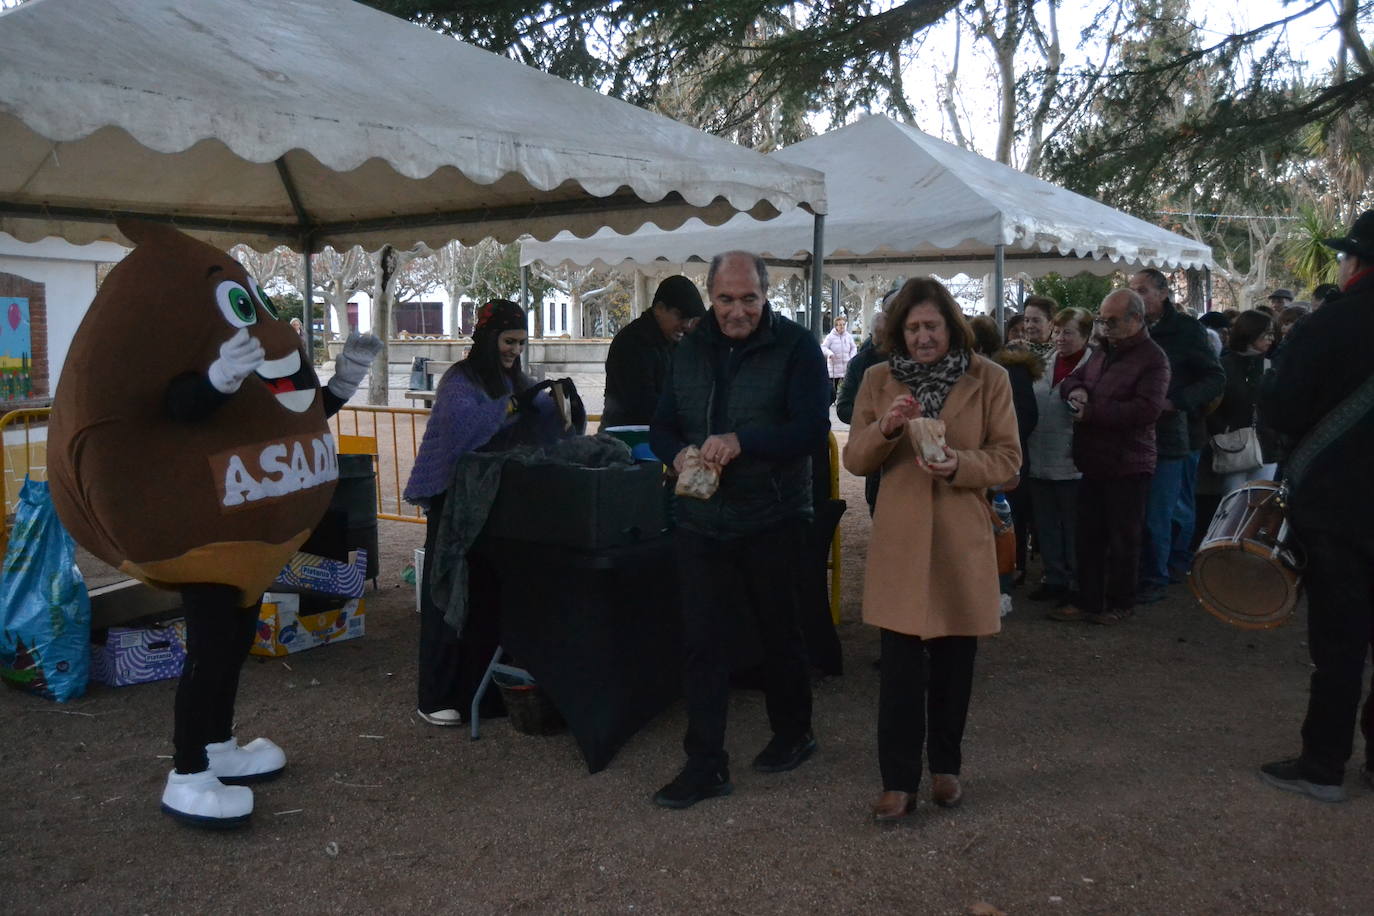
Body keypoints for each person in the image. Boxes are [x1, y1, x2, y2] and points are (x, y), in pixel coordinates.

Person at [648, 250, 830, 809]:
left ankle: (794, 730)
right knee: (702, 642)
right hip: (701, 520)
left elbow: (810, 429)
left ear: (766, 294)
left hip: (772, 515)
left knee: (779, 630)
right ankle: (706, 763)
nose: (737, 311)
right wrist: (677, 452)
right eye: (725, 299)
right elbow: (662, 422)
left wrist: (743, 441)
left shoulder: (797, 347)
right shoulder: (690, 348)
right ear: (710, 297)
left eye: (748, 298)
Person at [843, 278, 1020, 822]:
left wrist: (961, 466)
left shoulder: (990, 378)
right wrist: (888, 429)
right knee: (897, 671)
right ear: (900, 331)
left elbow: (1009, 461)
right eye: (913, 328)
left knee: (953, 665)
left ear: (951, 326)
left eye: (932, 327)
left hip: (961, 539)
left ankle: (947, 767)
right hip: (900, 540)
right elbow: (855, 459)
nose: (923, 337)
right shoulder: (877, 379)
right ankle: (897, 782)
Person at [1257, 209, 1374, 802]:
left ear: (1354, 262)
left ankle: (1325, 764)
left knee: (1340, 640)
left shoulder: (1330, 325)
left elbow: (1280, 409)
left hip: (1340, 506)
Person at [404, 299, 565, 727]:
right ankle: (436, 694)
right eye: (509, 341)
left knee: (483, 598)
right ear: (488, 338)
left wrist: (557, 405)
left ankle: (482, 693)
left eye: (520, 343)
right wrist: (512, 408)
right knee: (445, 594)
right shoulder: (460, 380)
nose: (514, 350)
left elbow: (541, 425)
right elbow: (461, 432)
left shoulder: (515, 379)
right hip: (452, 501)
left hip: (490, 503)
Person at [1049, 290, 1169, 626]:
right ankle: (1089, 600)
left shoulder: (1153, 358)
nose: (1104, 326)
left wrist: (1092, 413)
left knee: (1123, 537)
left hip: (1128, 463)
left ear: (1136, 319)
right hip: (1093, 460)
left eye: (1111, 320)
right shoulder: (1102, 352)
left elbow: (1147, 410)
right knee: (1088, 535)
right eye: (1102, 319)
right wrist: (1075, 390)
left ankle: (1120, 602)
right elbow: (1075, 378)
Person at [1128, 268, 1224, 604]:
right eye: (1132, 290)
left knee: (1166, 510)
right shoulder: (1128, 329)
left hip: (1173, 434)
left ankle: (1163, 571)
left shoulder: (1185, 330)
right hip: (1130, 434)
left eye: (1142, 290)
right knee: (1140, 510)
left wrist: (1178, 402)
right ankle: (1141, 569)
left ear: (1163, 293)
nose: (1136, 296)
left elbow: (1214, 378)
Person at [1026, 307, 1094, 604]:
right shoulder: (1044, 363)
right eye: (1057, 331)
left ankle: (1078, 581)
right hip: (1039, 456)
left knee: (1074, 527)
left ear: (1086, 336)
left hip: (1072, 461)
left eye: (1068, 332)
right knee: (1046, 524)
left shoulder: (1096, 367)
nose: (1060, 338)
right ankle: (1054, 578)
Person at [970, 315, 1040, 588]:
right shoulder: (975, 371)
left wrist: (999, 439)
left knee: (1010, 517)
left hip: (1006, 459)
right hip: (985, 459)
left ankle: (1012, 567)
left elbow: (1025, 416)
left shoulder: (1009, 372)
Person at [600, 275, 705, 429]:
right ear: (659, 309)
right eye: (680, 317)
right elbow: (642, 404)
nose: (685, 326)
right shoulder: (632, 343)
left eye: (689, 320)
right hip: (626, 434)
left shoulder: (673, 341)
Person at [1207, 310, 1279, 492]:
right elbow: (1212, 406)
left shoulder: (1272, 367)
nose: (1270, 338)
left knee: (1260, 503)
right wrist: (1222, 430)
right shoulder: (1223, 366)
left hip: (1266, 446)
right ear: (1249, 332)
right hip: (1232, 446)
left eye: (1272, 333)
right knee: (1232, 502)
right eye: (1266, 334)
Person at [837, 301, 893, 516]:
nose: (882, 339)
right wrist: (872, 420)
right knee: (877, 503)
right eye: (879, 334)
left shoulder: (910, 360)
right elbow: (843, 407)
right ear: (871, 333)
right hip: (874, 445)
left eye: (887, 334)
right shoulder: (860, 363)